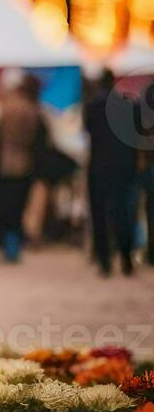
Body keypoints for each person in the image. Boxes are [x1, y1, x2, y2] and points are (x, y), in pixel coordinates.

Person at [83, 70, 138, 277]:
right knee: (123, 212)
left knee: (100, 213)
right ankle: (126, 258)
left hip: (99, 165)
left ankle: (104, 261)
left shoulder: (92, 105)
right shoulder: (129, 104)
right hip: (124, 167)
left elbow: (88, 133)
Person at [0, 74, 42, 263]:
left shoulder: (7, 108)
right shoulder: (32, 108)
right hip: (25, 163)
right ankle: (13, 248)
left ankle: (8, 248)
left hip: (6, 164)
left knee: (7, 209)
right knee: (17, 208)